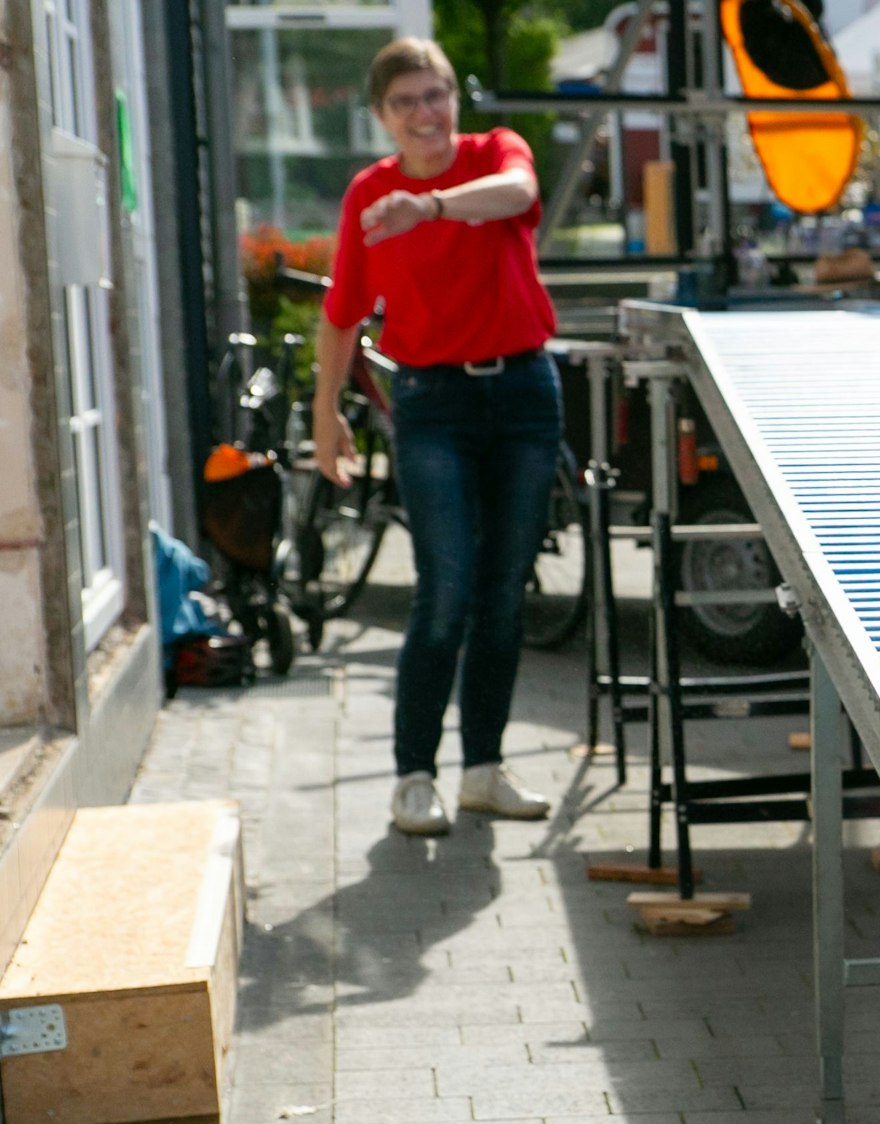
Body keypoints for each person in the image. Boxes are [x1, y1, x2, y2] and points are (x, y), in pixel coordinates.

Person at [313, 38, 558, 836]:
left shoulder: (495, 154)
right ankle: (413, 777)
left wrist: (435, 207)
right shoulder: (369, 193)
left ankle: (483, 770)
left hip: (523, 391)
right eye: (405, 102)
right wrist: (326, 416)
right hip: (429, 405)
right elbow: (343, 311)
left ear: (455, 99)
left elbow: (517, 192)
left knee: (502, 598)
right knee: (445, 592)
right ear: (381, 116)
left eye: (435, 96)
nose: (425, 114)